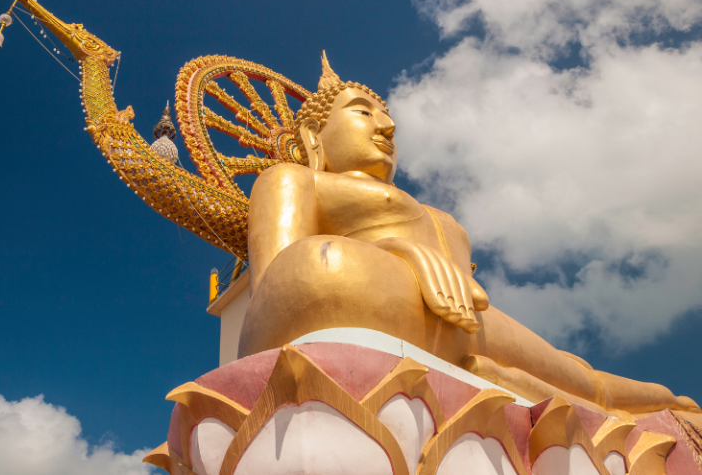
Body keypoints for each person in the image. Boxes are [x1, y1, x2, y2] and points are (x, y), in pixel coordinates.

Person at [240, 52, 700, 418]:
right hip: (369, 288)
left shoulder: (435, 213)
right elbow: (275, 294)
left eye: (386, 116)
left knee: (584, 378)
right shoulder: (294, 180)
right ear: (311, 136)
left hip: (467, 319)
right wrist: (398, 251)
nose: (387, 126)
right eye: (363, 112)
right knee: (318, 270)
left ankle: (667, 407)